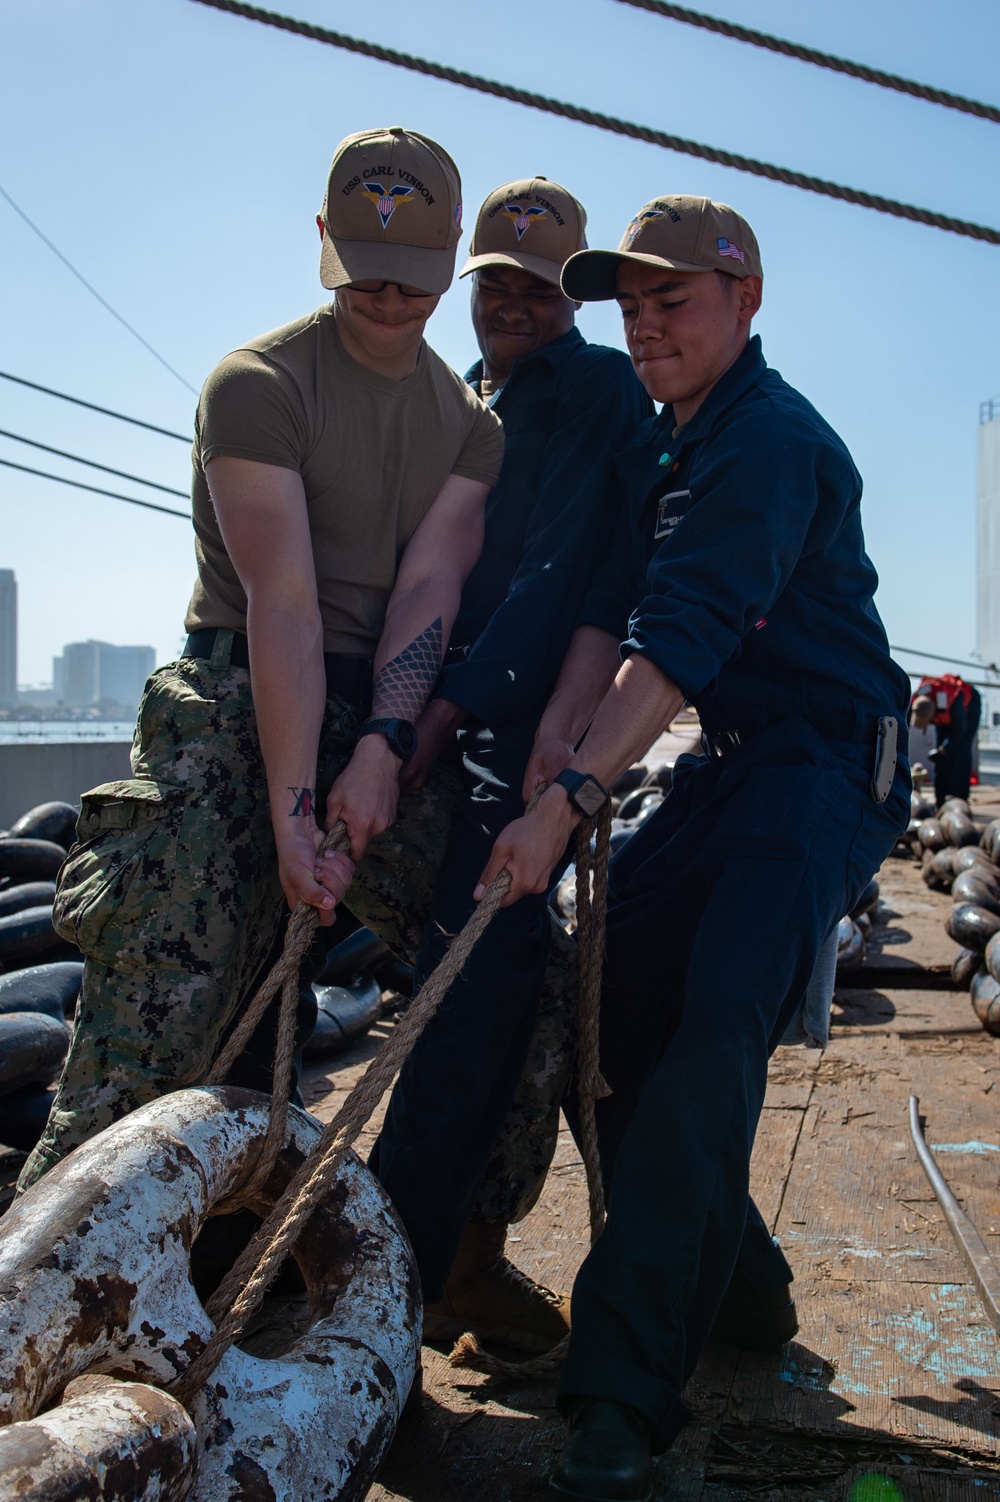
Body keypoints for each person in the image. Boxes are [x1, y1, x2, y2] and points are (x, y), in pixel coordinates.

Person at [475, 196, 911, 1499]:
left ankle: (619, 1391)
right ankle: (744, 1288)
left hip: (830, 762)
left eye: (677, 297)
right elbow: (615, 618)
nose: (648, 321)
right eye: (632, 301)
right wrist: (553, 779)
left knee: (720, 1026)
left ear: (748, 301)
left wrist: (562, 804)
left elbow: (679, 640)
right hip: (735, 764)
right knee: (613, 994)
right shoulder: (675, 442)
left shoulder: (769, 440)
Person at [18, 126, 504, 1192]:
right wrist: (293, 812)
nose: (387, 300)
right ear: (324, 238)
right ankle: (30, 1304)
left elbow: (428, 589)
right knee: (157, 1025)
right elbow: (283, 603)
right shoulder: (256, 381)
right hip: (238, 696)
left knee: (507, 961)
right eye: (365, 274)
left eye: (414, 282)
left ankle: (443, 1249)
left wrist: (382, 741)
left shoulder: (469, 426)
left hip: (375, 702)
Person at [369, 177, 651, 1350]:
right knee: (472, 988)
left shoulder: (592, 393)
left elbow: (565, 578)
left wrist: (452, 713)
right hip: (445, 715)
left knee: (472, 995)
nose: (513, 304)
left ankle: (401, 1271)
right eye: (497, 284)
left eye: (538, 289)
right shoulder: (473, 393)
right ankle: (430, 1256)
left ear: (568, 295)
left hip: (517, 732)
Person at [909, 674, 981, 805]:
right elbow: (907, 718)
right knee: (940, 755)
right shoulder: (917, 699)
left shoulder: (954, 705)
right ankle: (940, 797)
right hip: (945, 712)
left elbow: (959, 730)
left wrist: (944, 748)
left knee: (961, 749)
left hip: (968, 706)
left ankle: (960, 797)